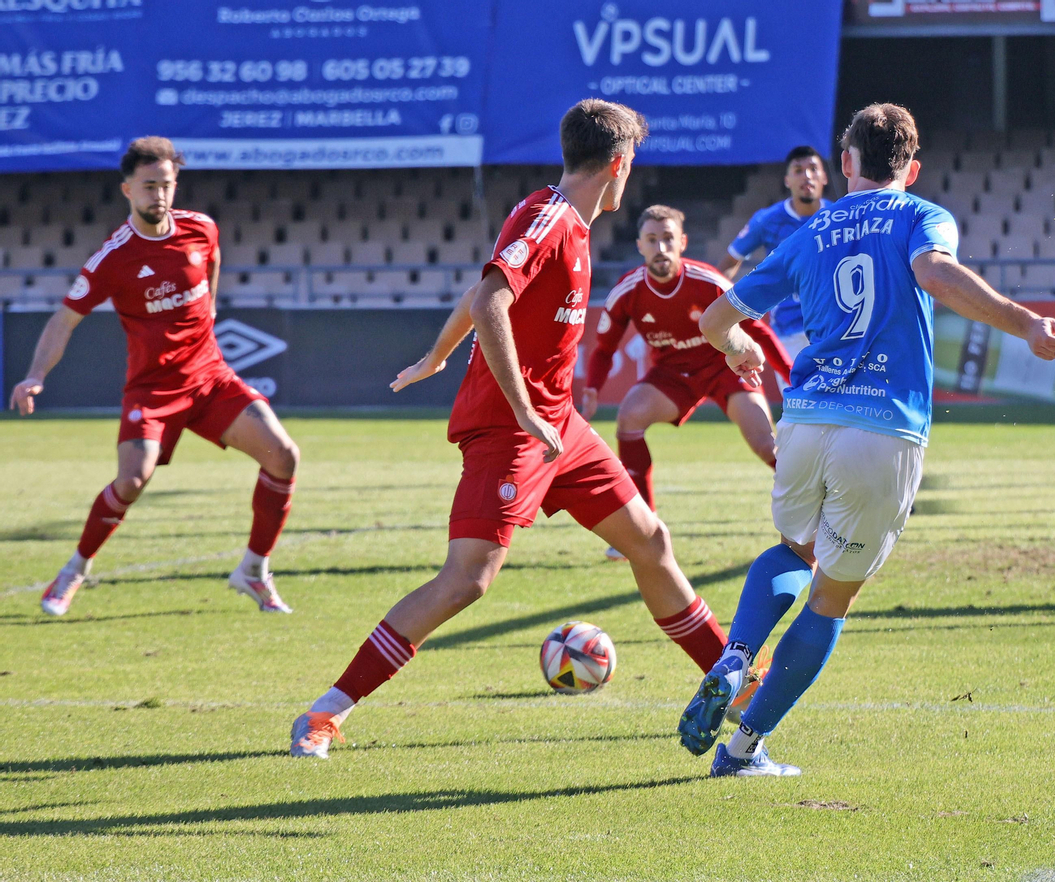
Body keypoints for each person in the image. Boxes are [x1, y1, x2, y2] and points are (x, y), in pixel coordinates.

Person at [289, 99, 731, 758]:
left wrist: (439, 356)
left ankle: (734, 680)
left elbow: (479, 293)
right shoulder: (548, 217)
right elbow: (493, 297)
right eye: (631, 163)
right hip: (511, 429)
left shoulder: (575, 226)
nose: (631, 174)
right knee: (467, 578)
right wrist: (523, 409)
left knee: (649, 539)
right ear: (616, 163)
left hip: (561, 427)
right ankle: (325, 712)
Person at [677, 103, 1055, 776]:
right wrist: (1026, 322)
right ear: (911, 169)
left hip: (803, 421)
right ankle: (743, 749)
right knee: (831, 595)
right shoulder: (921, 214)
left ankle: (735, 654)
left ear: (846, 163)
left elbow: (715, 318)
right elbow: (937, 275)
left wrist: (742, 349)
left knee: (792, 549)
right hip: (882, 429)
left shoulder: (807, 231)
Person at [9, 136, 299, 617]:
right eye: (148, 186)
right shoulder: (112, 258)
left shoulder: (202, 228)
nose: (158, 195)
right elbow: (63, 319)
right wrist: (35, 374)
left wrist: (207, 316)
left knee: (284, 456)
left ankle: (253, 570)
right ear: (127, 190)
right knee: (132, 480)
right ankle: (73, 571)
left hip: (209, 377)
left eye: (165, 185)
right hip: (153, 389)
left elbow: (213, 263)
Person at [581, 204, 793, 562]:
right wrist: (591, 389)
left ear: (682, 242)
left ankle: (818, 508)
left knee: (764, 444)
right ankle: (640, 527)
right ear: (640, 245)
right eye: (652, 240)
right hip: (673, 375)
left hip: (725, 364)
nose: (660, 248)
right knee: (629, 418)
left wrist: (791, 375)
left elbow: (756, 327)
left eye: (667, 239)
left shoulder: (708, 281)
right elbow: (603, 349)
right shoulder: (628, 291)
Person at [719, 145, 831, 360]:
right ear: (787, 180)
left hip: (833, 330)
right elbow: (729, 263)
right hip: (789, 336)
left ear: (824, 177)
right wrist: (723, 314)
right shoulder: (767, 220)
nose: (807, 176)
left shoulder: (840, 217)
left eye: (813, 169)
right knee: (797, 395)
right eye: (798, 170)